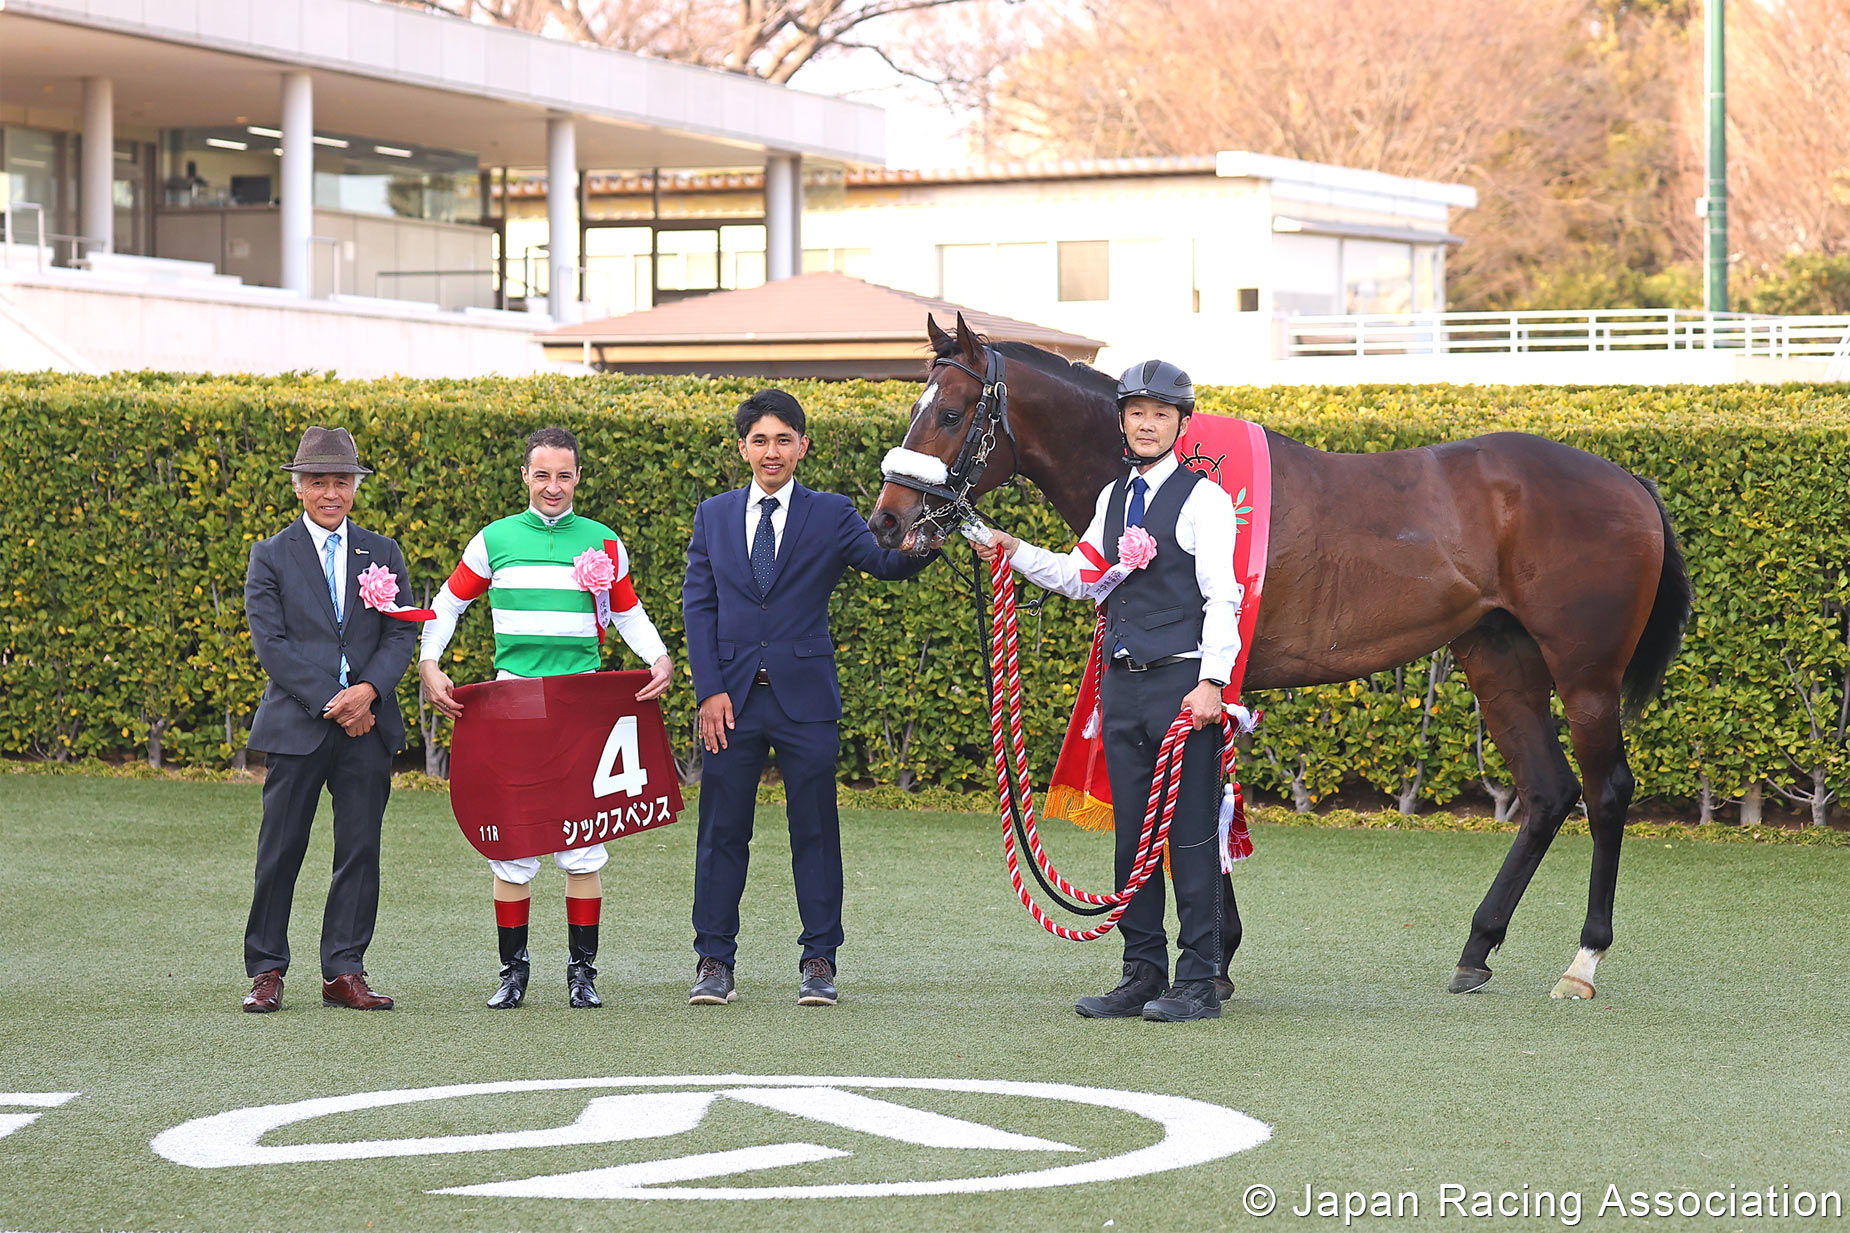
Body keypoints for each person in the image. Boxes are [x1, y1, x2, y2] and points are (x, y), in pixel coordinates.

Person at [973, 359, 1242, 1022]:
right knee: (1132, 837)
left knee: (1189, 837)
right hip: (1122, 687)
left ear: (1181, 423)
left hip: (1184, 686)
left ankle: (1199, 980)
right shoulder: (1114, 497)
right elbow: (1083, 576)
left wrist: (1212, 681)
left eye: (1161, 414)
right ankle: (1141, 970)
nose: (1147, 424)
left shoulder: (1204, 499)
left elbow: (1223, 595)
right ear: (1122, 420)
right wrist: (1011, 548)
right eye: (1136, 412)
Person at [682, 388, 936, 1008]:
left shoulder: (831, 512)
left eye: (783, 439)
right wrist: (709, 691)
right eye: (760, 440)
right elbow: (699, 606)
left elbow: (883, 562)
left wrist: (929, 541)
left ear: (803, 446)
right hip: (731, 703)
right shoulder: (713, 515)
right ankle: (714, 961)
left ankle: (819, 961)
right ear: (742, 448)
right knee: (720, 834)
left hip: (807, 704)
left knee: (816, 834)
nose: (772, 451)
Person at [419, 426, 672, 1010]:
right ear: (525, 477)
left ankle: (583, 975)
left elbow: (627, 611)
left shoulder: (604, 541)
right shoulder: (494, 539)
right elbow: (448, 602)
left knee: (583, 845)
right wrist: (429, 661)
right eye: (542, 475)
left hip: (582, 707)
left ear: (578, 477)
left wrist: (658, 657)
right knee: (513, 845)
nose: (552, 486)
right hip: (513, 707)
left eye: (563, 475)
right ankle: (513, 974)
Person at [242, 427, 418, 1013]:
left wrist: (366, 693)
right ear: (298, 487)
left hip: (368, 728)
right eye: (318, 482)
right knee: (280, 851)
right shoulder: (270, 555)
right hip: (298, 726)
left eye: (341, 481)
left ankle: (344, 970)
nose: (330, 493)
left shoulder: (383, 551)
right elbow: (271, 645)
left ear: (355, 487)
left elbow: (401, 633)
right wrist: (335, 701)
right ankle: (266, 970)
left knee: (359, 851)